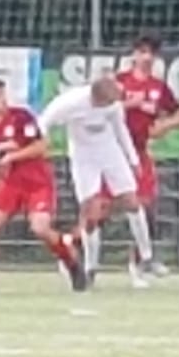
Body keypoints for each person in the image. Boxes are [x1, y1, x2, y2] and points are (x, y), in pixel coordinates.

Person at [0, 78, 85, 293]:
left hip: (37, 182)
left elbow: (41, 146)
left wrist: (12, 156)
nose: (3, 100)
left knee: (41, 228)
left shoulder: (21, 117)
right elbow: (3, 153)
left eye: (3, 94)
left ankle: (73, 265)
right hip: (10, 184)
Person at [40, 75, 153, 288]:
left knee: (132, 201)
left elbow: (120, 130)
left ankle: (147, 256)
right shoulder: (70, 102)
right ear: (97, 98)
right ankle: (90, 267)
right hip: (83, 158)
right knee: (90, 215)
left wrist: (133, 160)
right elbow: (44, 121)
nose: (112, 105)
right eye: (107, 102)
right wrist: (43, 143)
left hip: (110, 153)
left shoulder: (113, 104)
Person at [105, 33, 179, 278]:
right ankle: (74, 250)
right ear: (133, 55)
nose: (146, 57)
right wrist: (128, 105)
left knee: (146, 207)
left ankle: (140, 262)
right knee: (99, 211)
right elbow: (99, 108)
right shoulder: (119, 82)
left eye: (151, 53)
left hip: (139, 153)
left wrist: (165, 126)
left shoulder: (158, 87)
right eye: (141, 52)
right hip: (113, 152)